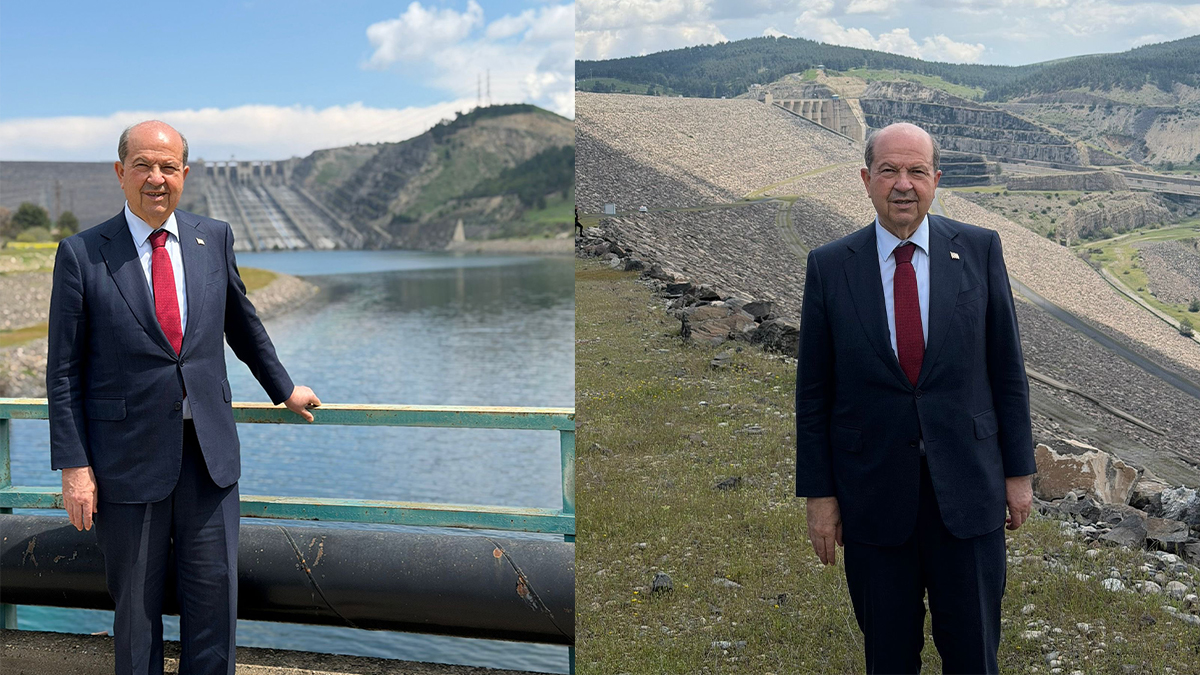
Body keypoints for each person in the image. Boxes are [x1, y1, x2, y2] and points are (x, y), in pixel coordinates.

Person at [47, 120, 322, 675]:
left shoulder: (212, 237)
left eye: (168, 167)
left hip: (210, 457)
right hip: (126, 462)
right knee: (137, 616)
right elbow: (62, 371)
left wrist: (284, 388)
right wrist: (75, 466)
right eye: (143, 166)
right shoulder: (81, 253)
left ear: (185, 175)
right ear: (120, 173)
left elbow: (242, 325)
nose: (156, 178)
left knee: (214, 606)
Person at [794, 122, 1035, 674]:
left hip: (969, 491)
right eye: (889, 171)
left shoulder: (979, 250)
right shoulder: (831, 266)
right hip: (873, 496)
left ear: (936, 180)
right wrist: (820, 496)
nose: (903, 185)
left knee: (974, 654)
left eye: (916, 171)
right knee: (889, 655)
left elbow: (1007, 369)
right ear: (866, 179)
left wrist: (1019, 474)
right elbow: (814, 393)